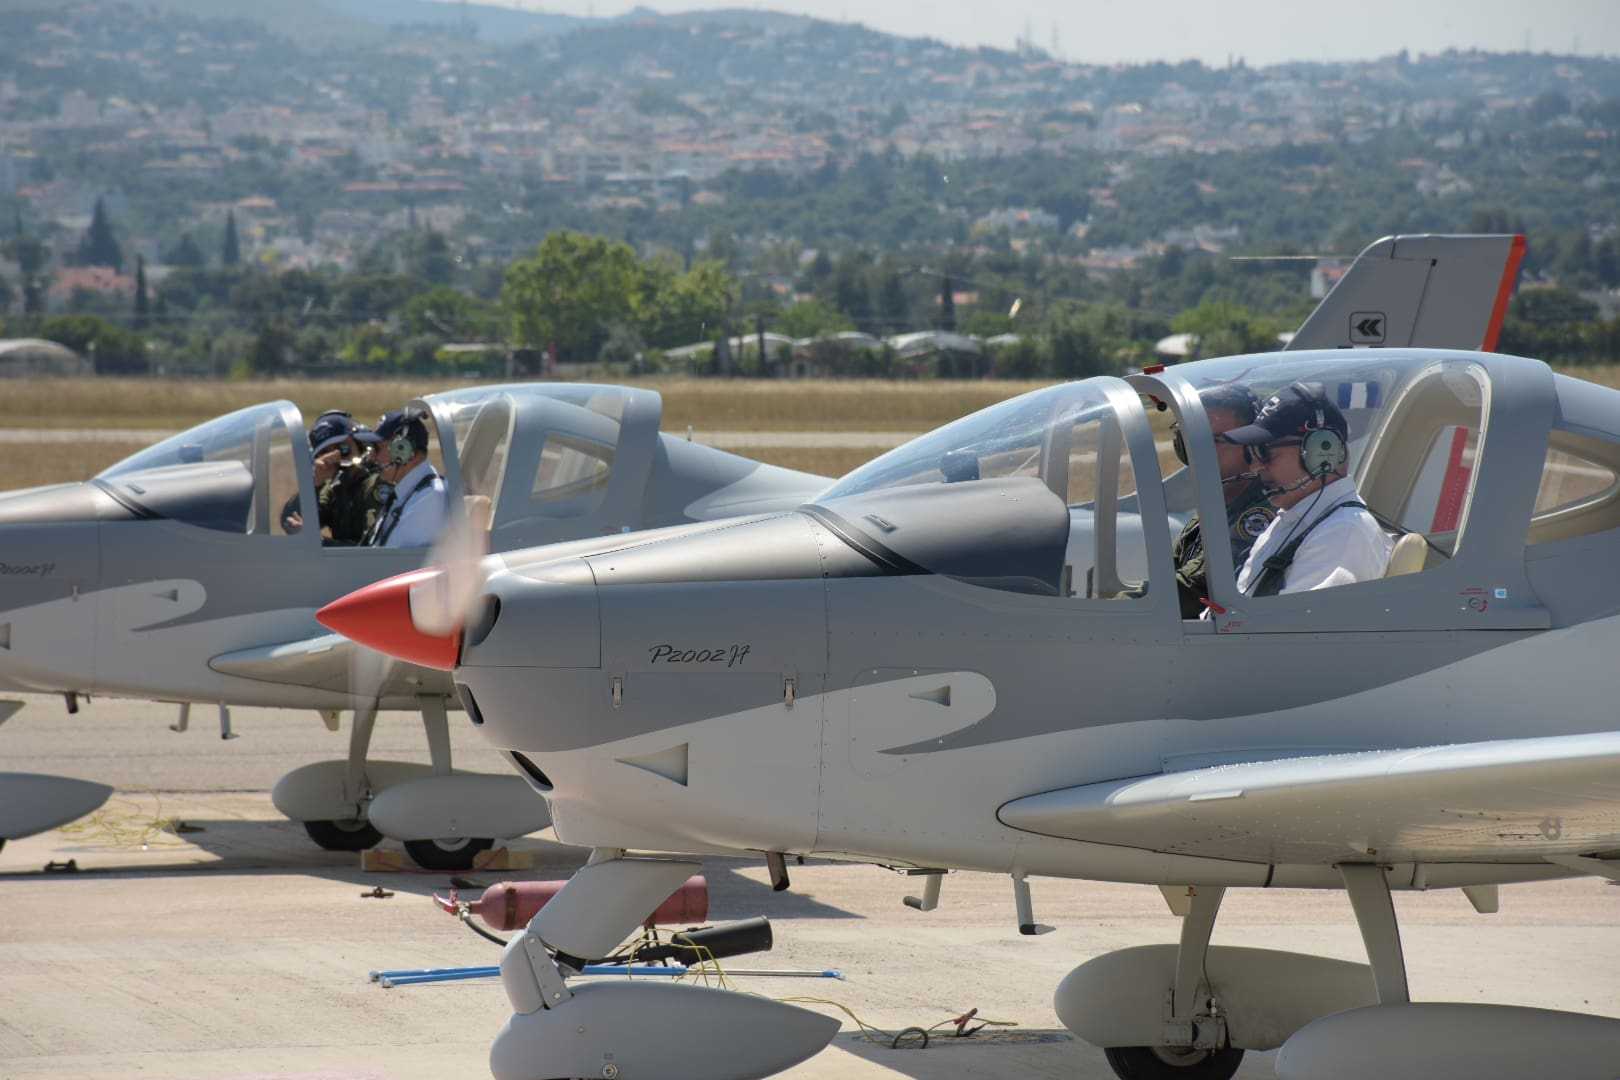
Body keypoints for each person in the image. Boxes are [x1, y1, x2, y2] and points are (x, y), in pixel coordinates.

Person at [1219, 382, 1392, 596]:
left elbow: (1297, 617)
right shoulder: (1293, 520)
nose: (1255, 466)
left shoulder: (1342, 532)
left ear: (1322, 451)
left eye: (1264, 452)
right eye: (1251, 453)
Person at [1166, 383, 1277, 617]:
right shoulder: (1209, 513)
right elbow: (1166, 578)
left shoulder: (1259, 517)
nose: (1201, 451)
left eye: (1217, 440)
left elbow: (1188, 592)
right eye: (1193, 439)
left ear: (1253, 446)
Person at [281, 410, 382, 544]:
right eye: (324, 452)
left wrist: (318, 541)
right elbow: (289, 520)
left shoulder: (379, 484)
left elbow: (373, 548)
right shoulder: (335, 488)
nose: (335, 456)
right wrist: (314, 484)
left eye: (343, 448)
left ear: (359, 443)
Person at [365, 410, 448, 548]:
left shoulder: (429, 499)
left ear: (404, 450)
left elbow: (390, 558)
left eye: (377, 448)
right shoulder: (410, 492)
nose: (372, 457)